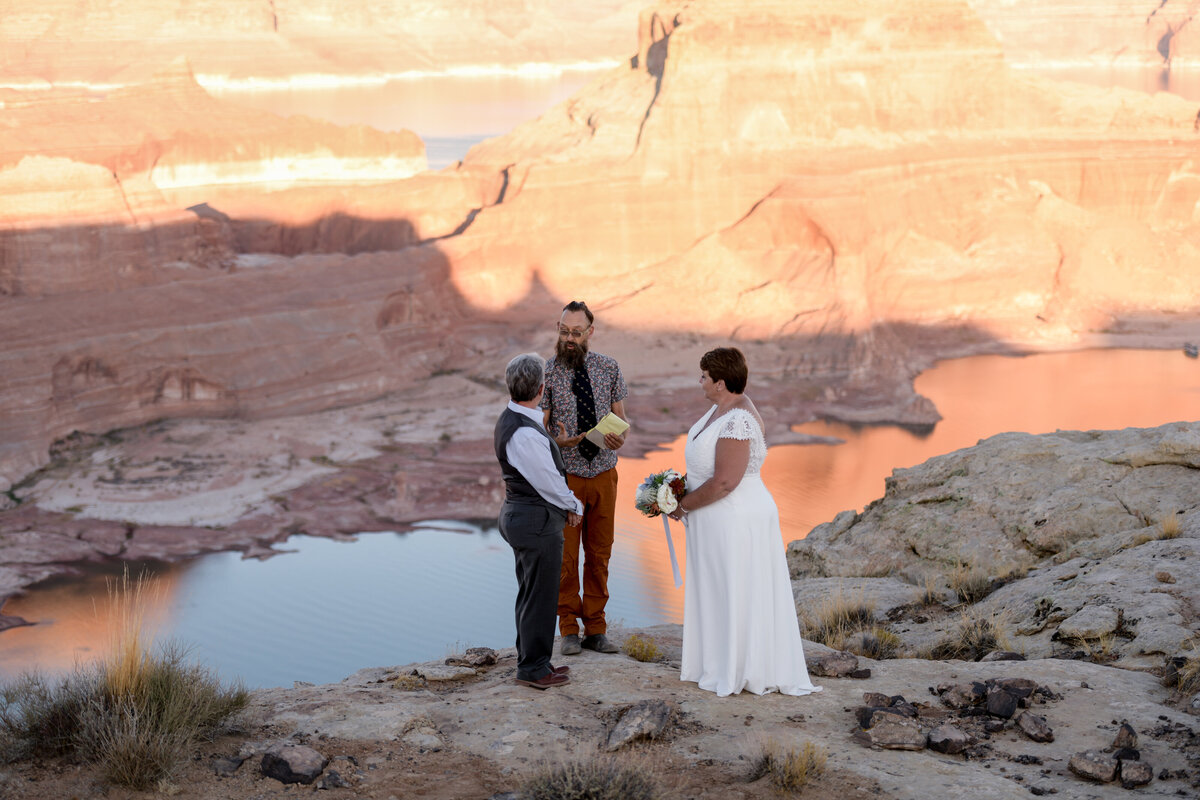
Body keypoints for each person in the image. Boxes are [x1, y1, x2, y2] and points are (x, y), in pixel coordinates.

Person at [669, 347, 822, 697]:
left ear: (720, 383)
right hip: (715, 519)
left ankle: (742, 669)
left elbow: (725, 481)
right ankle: (718, 663)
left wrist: (683, 505)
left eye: (704, 376)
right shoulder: (721, 408)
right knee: (721, 590)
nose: (700, 381)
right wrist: (674, 489)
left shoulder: (738, 419)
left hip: (736, 519)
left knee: (736, 589)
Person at [541, 300, 628, 656]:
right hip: (567, 479)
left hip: (605, 475)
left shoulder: (609, 368)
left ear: (590, 332)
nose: (569, 338)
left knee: (600, 554)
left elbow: (622, 418)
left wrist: (619, 437)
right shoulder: (546, 372)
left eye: (576, 332)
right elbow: (539, 427)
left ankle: (596, 628)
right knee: (565, 557)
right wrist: (555, 441)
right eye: (564, 332)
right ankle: (568, 630)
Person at [494, 353, 584, 689]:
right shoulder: (525, 433)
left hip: (521, 516)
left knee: (532, 592)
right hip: (534, 520)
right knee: (541, 595)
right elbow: (547, 480)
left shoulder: (515, 419)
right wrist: (574, 505)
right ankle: (533, 669)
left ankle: (534, 662)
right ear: (542, 388)